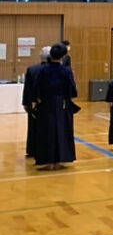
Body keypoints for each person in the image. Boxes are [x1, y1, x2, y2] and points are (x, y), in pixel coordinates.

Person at [31, 43, 78, 171]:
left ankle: (47, 161)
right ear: (63, 56)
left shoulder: (42, 70)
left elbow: (36, 89)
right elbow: (73, 90)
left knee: (46, 132)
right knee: (61, 131)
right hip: (61, 104)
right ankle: (59, 160)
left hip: (45, 104)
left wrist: (36, 102)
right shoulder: (66, 71)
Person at [22, 47, 50, 160]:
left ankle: (32, 150)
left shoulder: (32, 69)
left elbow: (27, 88)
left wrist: (25, 103)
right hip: (48, 103)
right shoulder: (54, 70)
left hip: (33, 103)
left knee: (33, 127)